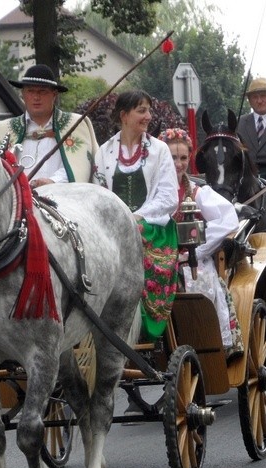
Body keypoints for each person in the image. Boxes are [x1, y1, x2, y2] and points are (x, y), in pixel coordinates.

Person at [93, 90, 179, 342]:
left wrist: (134, 219)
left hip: (153, 229)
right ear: (124, 115)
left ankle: (141, 326)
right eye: (142, 110)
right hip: (113, 228)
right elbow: (97, 193)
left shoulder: (159, 150)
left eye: (149, 110)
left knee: (131, 240)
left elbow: (168, 198)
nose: (148, 117)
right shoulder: (104, 152)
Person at [158, 127, 244, 358]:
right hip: (155, 259)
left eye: (183, 158)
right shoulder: (151, 192)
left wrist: (195, 247)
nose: (178, 164)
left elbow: (228, 219)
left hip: (190, 262)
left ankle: (205, 338)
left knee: (202, 282)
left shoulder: (197, 193)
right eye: (172, 157)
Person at [0, 64, 98, 186]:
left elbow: (81, 165)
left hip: (64, 198)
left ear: (54, 95)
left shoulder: (75, 124)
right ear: (23, 94)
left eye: (42, 91)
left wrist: (53, 181)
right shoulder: (4, 129)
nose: (36, 97)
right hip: (17, 201)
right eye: (30, 91)